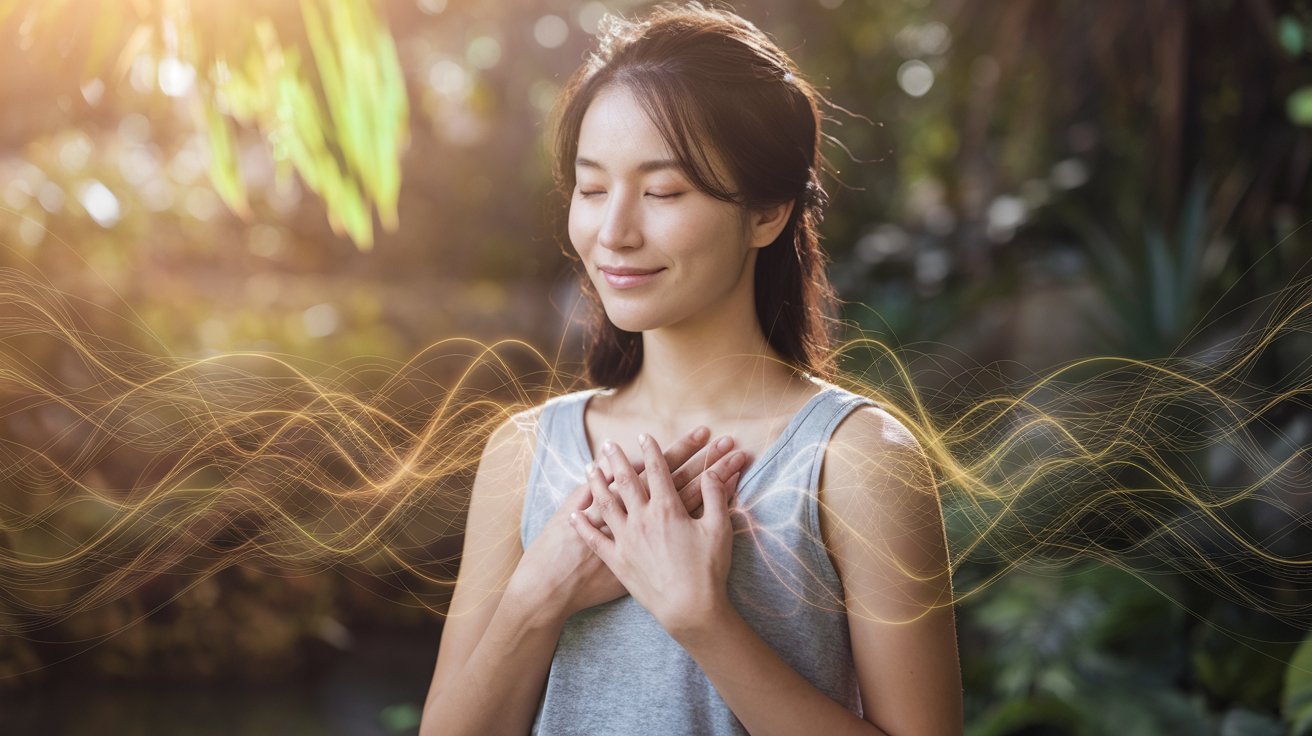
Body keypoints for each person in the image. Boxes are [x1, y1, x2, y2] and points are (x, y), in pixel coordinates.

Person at [420, 3, 962, 733]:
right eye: (591, 188)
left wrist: (703, 619)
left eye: (663, 192)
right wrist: (537, 596)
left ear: (768, 211)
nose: (614, 232)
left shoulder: (854, 460)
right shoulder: (526, 454)